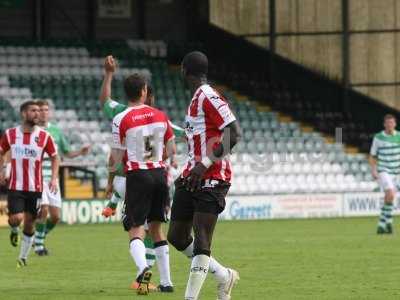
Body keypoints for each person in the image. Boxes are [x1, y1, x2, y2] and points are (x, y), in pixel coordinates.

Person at [167, 51, 242, 300]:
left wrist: (204, 164)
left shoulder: (207, 95)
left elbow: (234, 133)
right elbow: (198, 143)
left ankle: (190, 298)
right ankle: (223, 275)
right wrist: (189, 169)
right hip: (193, 177)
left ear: (184, 70)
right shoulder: (195, 100)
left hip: (213, 177)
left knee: (201, 238)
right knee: (177, 236)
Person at [100, 56, 175, 295]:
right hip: (159, 176)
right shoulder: (161, 115)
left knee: (136, 228)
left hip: (137, 177)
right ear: (144, 91)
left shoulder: (120, 118)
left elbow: (116, 158)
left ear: (128, 93)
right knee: (157, 229)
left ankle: (143, 269)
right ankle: (167, 283)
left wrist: (112, 181)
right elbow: (171, 150)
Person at [0, 101, 59, 267]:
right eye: (33, 111)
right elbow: (1, 152)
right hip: (15, 185)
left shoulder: (44, 136)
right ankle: (13, 230)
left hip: (36, 187)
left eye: (39, 111)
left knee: (30, 222)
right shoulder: (10, 134)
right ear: (23, 114)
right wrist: (2, 169)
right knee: (16, 218)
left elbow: (55, 157)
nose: (37, 114)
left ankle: (23, 258)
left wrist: (54, 178)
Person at [33, 100, 90, 256]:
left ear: (49, 112)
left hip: (52, 178)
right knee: (43, 209)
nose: (44, 112)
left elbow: (66, 152)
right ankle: (39, 247)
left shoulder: (56, 131)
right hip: (37, 177)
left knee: (56, 216)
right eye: (40, 110)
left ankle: (38, 238)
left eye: (46, 109)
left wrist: (80, 152)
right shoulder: (32, 131)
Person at [369, 114, 400, 234]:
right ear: (384, 124)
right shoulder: (378, 137)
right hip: (384, 170)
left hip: (397, 171)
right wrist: (373, 170)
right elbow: (372, 155)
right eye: (388, 123)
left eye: (392, 123)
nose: (390, 125)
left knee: (390, 197)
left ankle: (382, 224)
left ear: (395, 124)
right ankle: (388, 223)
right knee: (391, 193)